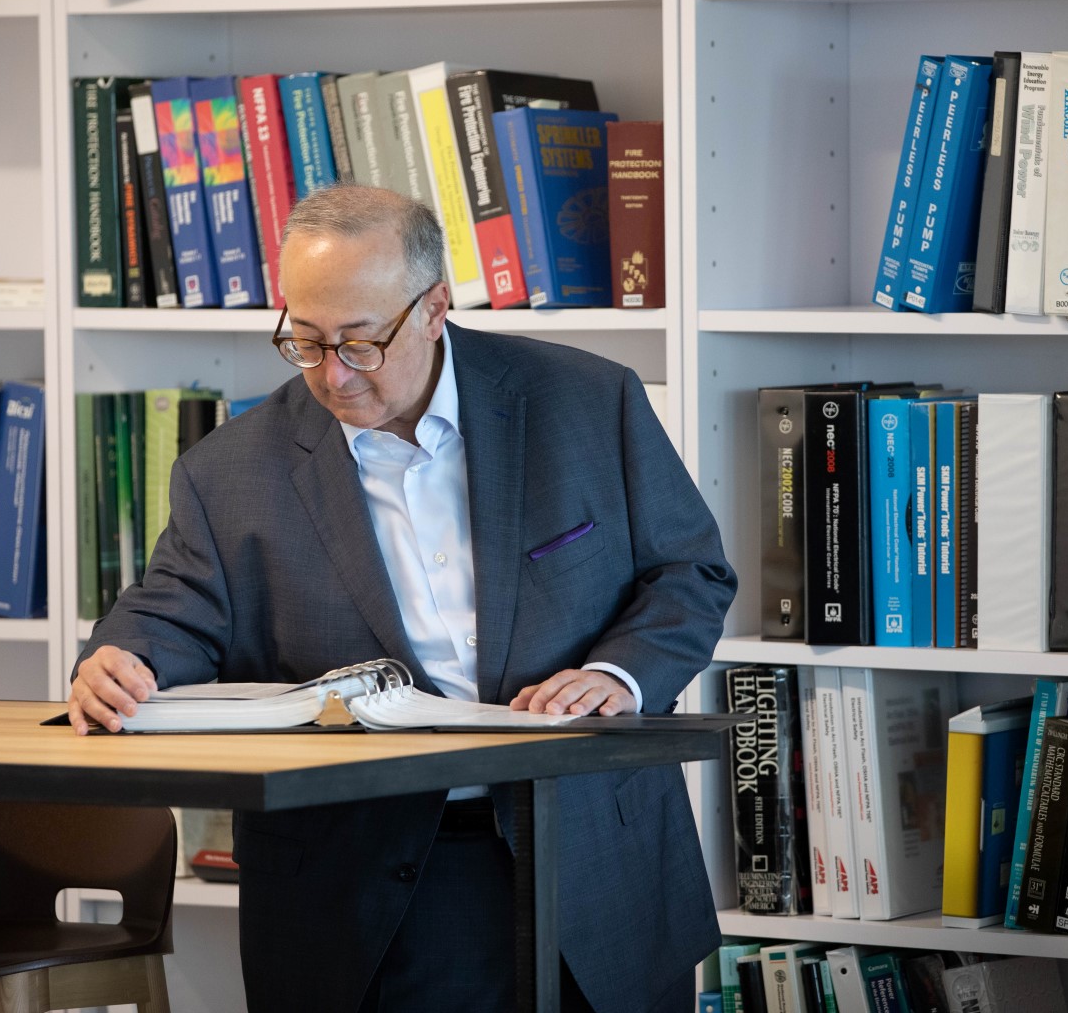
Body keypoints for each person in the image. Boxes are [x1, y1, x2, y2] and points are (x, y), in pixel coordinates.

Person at [68, 184, 736, 1013]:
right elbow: (171, 608)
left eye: (359, 342)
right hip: (367, 890)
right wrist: (121, 657)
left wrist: (619, 676)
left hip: (595, 852)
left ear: (433, 308)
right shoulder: (229, 471)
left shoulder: (589, 400)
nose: (333, 374)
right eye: (305, 341)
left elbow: (690, 574)